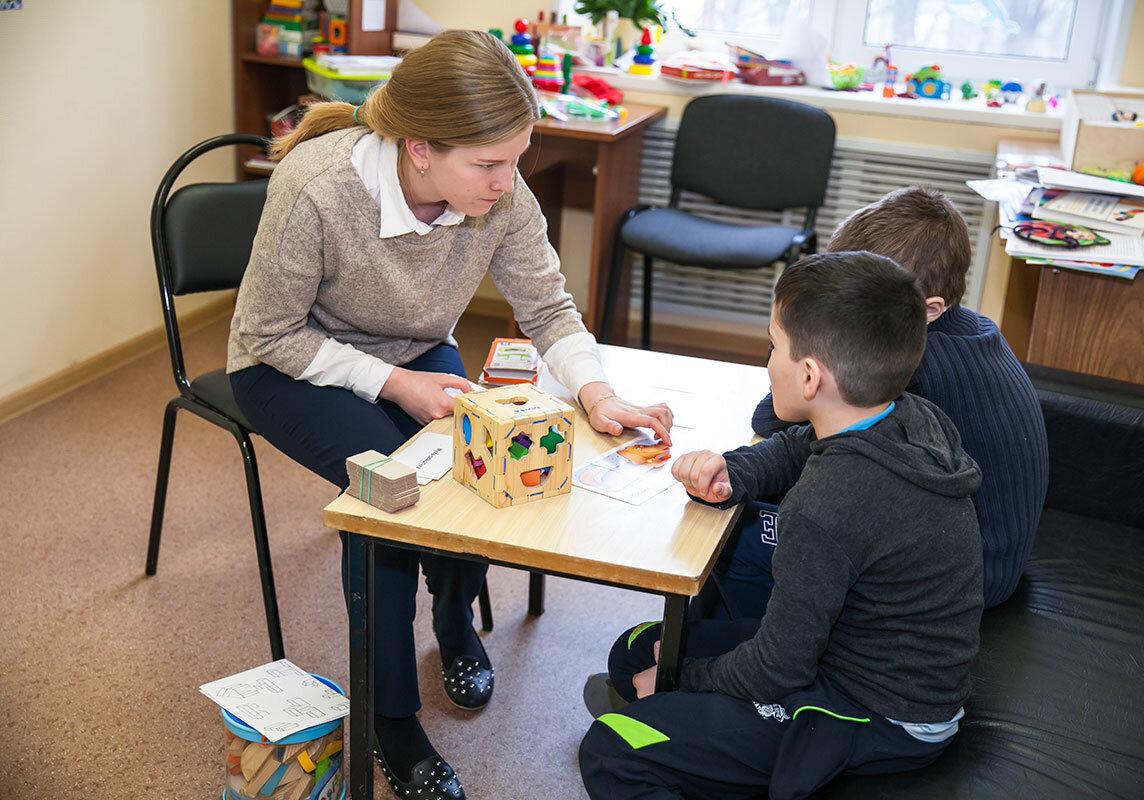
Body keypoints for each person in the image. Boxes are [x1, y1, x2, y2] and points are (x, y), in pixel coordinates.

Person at [226, 30, 672, 800]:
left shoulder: (499, 193)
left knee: (474, 468)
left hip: (410, 348)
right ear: (420, 148)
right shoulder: (318, 186)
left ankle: (456, 620)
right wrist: (395, 385)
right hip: (287, 364)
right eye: (490, 165)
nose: (507, 183)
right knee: (393, 498)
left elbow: (549, 308)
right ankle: (390, 716)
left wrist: (599, 395)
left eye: (517, 159)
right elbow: (270, 334)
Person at [579, 252, 984, 799]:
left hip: (877, 711)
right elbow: (801, 446)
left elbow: (777, 670)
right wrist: (733, 471)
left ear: (811, 375)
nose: (768, 360)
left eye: (774, 347)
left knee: (611, 748)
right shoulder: (909, 415)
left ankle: (696, 745)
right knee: (636, 648)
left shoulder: (824, 508)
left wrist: (681, 682)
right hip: (849, 654)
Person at [727, 186, 1047, 614]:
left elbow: (775, 420)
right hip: (985, 551)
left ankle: (733, 653)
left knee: (742, 534)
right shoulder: (972, 328)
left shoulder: (909, 365)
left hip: (968, 578)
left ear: (929, 310)